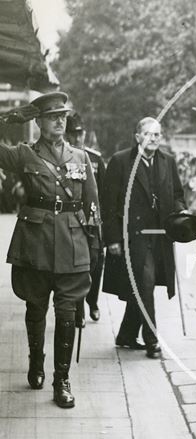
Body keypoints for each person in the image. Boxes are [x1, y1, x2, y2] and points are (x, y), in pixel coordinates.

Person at [0, 92, 100, 408]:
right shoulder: (25, 155)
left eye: (63, 115)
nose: (60, 120)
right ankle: (36, 360)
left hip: (72, 243)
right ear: (39, 121)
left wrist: (96, 243)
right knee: (36, 307)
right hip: (36, 243)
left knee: (68, 313)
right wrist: (7, 119)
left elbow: (92, 203)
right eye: (53, 116)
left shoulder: (81, 157)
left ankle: (62, 380)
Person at [102, 117, 186, 358]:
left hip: (160, 236)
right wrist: (112, 239)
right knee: (146, 283)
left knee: (142, 285)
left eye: (158, 134)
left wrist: (181, 209)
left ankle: (126, 335)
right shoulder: (120, 161)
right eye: (149, 134)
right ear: (137, 137)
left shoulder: (167, 162)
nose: (154, 138)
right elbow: (108, 204)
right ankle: (152, 339)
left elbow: (178, 194)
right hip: (133, 236)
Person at [66, 111, 106, 327]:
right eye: (72, 134)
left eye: (79, 133)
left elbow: (105, 196)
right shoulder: (63, 158)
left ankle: (93, 302)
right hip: (72, 222)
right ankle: (78, 309)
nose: (77, 138)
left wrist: (105, 228)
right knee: (78, 266)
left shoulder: (95, 158)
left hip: (93, 222)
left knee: (97, 264)